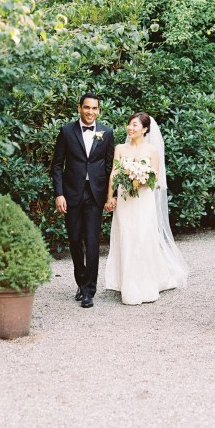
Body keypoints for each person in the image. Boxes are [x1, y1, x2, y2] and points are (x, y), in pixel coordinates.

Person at [104, 112, 188, 306]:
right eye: (129, 124)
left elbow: (156, 180)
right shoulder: (120, 148)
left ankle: (146, 284)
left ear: (145, 129)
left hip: (143, 201)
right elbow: (114, 174)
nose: (130, 128)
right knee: (126, 237)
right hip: (125, 201)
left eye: (135, 125)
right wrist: (110, 197)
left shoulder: (152, 151)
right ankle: (127, 284)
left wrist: (140, 179)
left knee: (142, 238)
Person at [51, 93, 115, 309]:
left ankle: (89, 290)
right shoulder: (66, 131)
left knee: (92, 241)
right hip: (71, 194)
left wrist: (110, 195)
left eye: (94, 108)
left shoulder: (107, 132)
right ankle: (80, 281)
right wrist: (59, 194)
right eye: (86, 108)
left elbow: (110, 168)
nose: (90, 112)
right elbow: (57, 165)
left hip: (95, 195)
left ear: (98, 110)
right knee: (75, 240)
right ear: (79, 108)